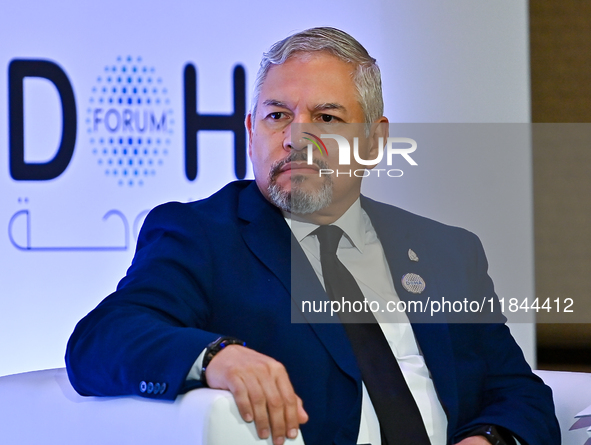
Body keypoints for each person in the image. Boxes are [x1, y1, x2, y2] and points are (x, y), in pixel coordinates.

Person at [66, 27, 560, 445]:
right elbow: (101, 339)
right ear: (251, 130)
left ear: (374, 140)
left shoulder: (446, 251)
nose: (295, 137)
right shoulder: (202, 236)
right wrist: (217, 355)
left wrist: (489, 439)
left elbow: (518, 391)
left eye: (326, 118)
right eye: (277, 115)